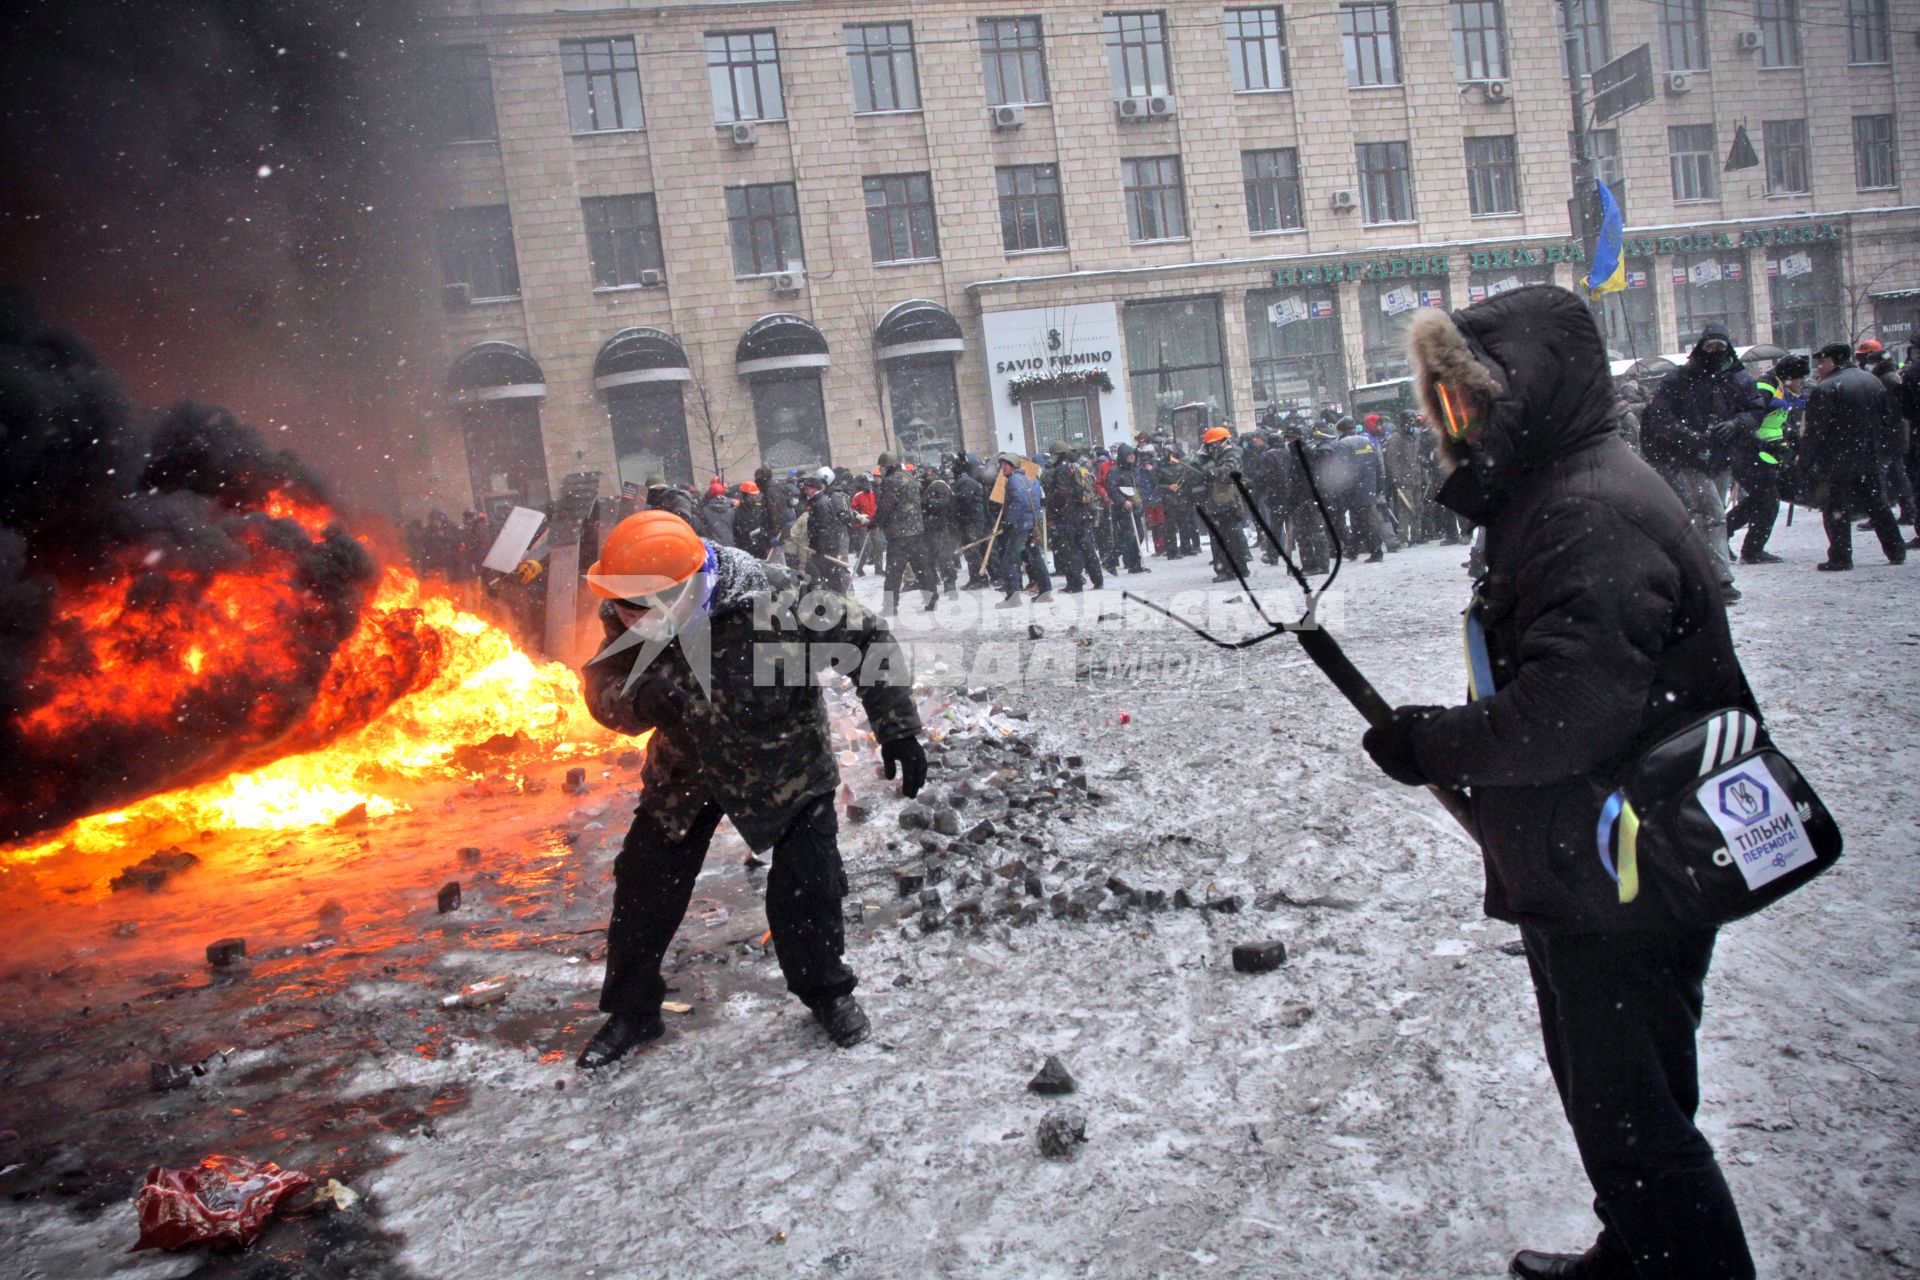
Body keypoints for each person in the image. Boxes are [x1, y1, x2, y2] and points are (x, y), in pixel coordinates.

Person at [1364, 286, 1757, 1280]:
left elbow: (1571, 709)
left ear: (1524, 391)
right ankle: (1634, 1250)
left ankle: (1679, 1257)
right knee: (1621, 1094)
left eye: (1465, 400)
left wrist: (1434, 744)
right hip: (1605, 851)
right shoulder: (1563, 488)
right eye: (1440, 405)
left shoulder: (1587, 507)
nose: (1450, 424)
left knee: (1635, 1116)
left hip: (1627, 862)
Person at [575, 511, 926, 1067]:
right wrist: (639, 701)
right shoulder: (628, 607)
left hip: (784, 761)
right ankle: (633, 1012)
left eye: (638, 608)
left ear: (683, 590)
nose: (623, 617)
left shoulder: (778, 598)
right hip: (688, 768)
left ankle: (826, 995)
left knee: (808, 887)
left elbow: (866, 637)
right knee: (644, 885)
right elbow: (603, 684)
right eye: (620, 606)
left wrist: (898, 728)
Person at [1642, 323, 1764, 604]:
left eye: (1720, 347)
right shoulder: (1680, 378)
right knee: (1712, 514)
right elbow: (1660, 415)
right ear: (1701, 347)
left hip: (1721, 456)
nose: (1714, 352)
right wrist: (1689, 438)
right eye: (1710, 346)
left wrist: (1734, 425)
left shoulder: (1739, 379)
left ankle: (1692, 569)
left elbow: (1755, 410)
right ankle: (1719, 579)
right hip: (1691, 457)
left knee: (1704, 514)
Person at [1802, 342, 1908, 571]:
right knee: (1877, 503)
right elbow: (1888, 419)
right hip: (1869, 455)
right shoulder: (1872, 381)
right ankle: (1895, 548)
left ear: (1833, 361)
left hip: (1837, 459)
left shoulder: (1826, 388)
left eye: (1822, 361)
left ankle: (1841, 556)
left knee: (1836, 508)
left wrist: (1805, 460)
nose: (1819, 366)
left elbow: (1815, 431)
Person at [1725, 355, 1805, 565]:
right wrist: (1764, 445)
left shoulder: (1779, 387)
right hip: (1750, 454)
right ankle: (1752, 549)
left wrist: (1788, 439)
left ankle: (1724, 534)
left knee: (1759, 500)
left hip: (1762, 454)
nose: (1802, 383)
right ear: (1789, 377)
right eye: (1800, 379)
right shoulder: (1765, 388)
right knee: (1768, 501)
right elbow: (1749, 422)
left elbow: (1773, 423)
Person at [1856, 339, 1915, 530]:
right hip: (1894, 435)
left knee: (1880, 475)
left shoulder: (1885, 380)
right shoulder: (1889, 377)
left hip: (1888, 435)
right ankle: (1909, 510)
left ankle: (1880, 514)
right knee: (1897, 473)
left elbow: (1889, 409)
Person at [874, 452, 939, 613]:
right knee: (922, 568)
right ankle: (931, 598)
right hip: (916, 531)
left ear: (887, 466)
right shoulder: (909, 478)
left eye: (882, 467)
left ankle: (890, 606)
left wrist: (874, 522)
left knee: (893, 572)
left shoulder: (890, 481)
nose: (880, 470)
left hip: (899, 533)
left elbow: (886, 506)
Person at [1042, 439, 1104, 593]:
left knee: (1070, 550)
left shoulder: (1062, 469)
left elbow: (1062, 493)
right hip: (1081, 513)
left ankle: (1075, 584)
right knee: (1087, 547)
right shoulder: (1075, 467)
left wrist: (1049, 501)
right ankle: (1097, 579)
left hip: (1068, 516)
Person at [994, 453, 1052, 607]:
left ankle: (1013, 598)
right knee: (1035, 557)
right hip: (1031, 523)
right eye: (1001, 465)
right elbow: (1037, 499)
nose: (1002, 468)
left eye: (1005, 465)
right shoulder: (1027, 478)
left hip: (1021, 526)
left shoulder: (1013, 480)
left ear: (1013, 466)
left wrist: (1008, 521)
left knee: (1009, 561)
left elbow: (1019, 500)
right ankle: (1045, 591)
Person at [798, 468, 852, 593]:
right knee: (827, 577)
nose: (805, 491)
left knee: (831, 578)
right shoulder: (817, 501)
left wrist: (821, 548)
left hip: (826, 548)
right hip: (822, 547)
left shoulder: (820, 503)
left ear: (813, 488)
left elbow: (824, 527)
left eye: (806, 488)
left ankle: (839, 600)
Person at [951, 456, 991, 588]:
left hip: (972, 520)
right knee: (969, 550)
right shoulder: (964, 481)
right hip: (968, 520)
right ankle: (974, 578)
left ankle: (980, 579)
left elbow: (964, 499)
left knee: (972, 549)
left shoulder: (967, 482)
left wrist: (952, 499)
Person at [732, 480, 775, 560]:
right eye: (752, 496)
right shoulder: (738, 513)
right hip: (747, 551)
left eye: (756, 495)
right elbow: (740, 534)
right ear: (745, 496)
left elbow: (762, 525)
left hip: (759, 549)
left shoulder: (758, 509)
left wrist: (767, 537)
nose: (755, 498)